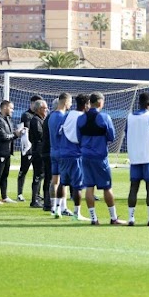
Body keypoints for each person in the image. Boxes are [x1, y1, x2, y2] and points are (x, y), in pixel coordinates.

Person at [76, 92, 126, 225]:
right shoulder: (104, 117)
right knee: (107, 187)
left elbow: (79, 138)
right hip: (100, 156)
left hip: (85, 156)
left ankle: (93, 218)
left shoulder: (81, 119)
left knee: (89, 187)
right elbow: (111, 136)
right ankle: (113, 217)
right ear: (99, 102)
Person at [126, 92, 149, 227]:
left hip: (134, 157)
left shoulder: (129, 117)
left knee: (133, 188)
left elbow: (127, 133)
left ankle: (131, 218)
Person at [58, 92, 88, 220]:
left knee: (63, 182)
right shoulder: (83, 118)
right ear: (86, 105)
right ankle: (77, 213)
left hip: (63, 153)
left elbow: (60, 131)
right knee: (77, 186)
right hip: (75, 155)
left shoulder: (67, 115)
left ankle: (57, 209)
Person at [0, 100, 24, 204]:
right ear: (5, 107)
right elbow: (3, 136)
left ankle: (4, 197)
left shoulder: (7, 119)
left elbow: (9, 134)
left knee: (5, 175)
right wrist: (16, 134)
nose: (12, 110)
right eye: (11, 108)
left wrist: (17, 133)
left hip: (6, 152)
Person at [16, 95, 43, 202]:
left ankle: (37, 193)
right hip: (27, 148)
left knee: (38, 172)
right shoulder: (26, 115)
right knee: (23, 170)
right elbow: (26, 131)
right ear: (32, 104)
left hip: (37, 148)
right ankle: (20, 193)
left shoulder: (40, 116)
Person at [48, 94, 71, 217]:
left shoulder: (51, 116)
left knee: (54, 180)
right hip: (62, 152)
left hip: (53, 151)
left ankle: (53, 207)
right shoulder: (63, 117)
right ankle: (63, 207)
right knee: (64, 181)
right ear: (65, 102)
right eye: (70, 102)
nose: (71, 105)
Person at [28, 99, 48, 208]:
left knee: (40, 176)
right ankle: (34, 200)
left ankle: (37, 197)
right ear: (39, 109)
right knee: (38, 176)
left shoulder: (40, 119)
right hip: (38, 152)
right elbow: (40, 135)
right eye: (45, 108)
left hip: (39, 151)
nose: (46, 110)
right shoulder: (35, 120)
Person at [41, 99, 55, 212]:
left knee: (48, 178)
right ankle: (50, 203)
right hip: (50, 151)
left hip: (46, 151)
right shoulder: (53, 118)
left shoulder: (48, 118)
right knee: (52, 178)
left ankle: (47, 203)